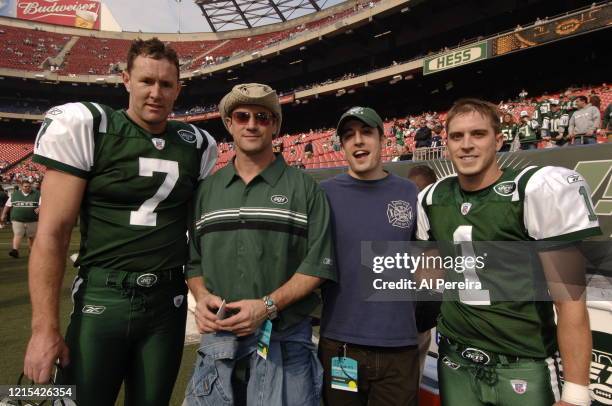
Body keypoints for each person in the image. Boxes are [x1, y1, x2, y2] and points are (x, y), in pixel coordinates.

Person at [23, 38, 217, 406]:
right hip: (103, 296)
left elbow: (200, 236)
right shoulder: (91, 126)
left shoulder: (196, 144)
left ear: (178, 89)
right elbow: (52, 233)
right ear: (126, 80)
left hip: (167, 302)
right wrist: (43, 328)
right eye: (146, 81)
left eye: (166, 84)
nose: (156, 92)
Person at [416, 98, 600, 406]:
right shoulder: (432, 198)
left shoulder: (535, 190)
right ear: (445, 143)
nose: (467, 145)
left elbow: (570, 302)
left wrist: (576, 393)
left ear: (498, 139)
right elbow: (428, 280)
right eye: (457, 136)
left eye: (478, 134)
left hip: (523, 363)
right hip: (455, 359)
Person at [184, 83, 336, 406]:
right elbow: (194, 261)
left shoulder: (306, 189)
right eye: (242, 116)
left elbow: (318, 264)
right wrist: (202, 297)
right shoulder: (206, 192)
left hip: (285, 340)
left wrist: (267, 306)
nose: (251, 124)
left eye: (262, 117)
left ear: (275, 125)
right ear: (229, 123)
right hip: (218, 341)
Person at [318, 106, 420, 406]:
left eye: (366, 133)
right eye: (349, 136)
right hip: (341, 346)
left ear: (382, 139)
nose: (358, 141)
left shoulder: (410, 193)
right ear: (343, 145)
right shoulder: (323, 195)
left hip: (398, 348)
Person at [1, 180, 40, 258]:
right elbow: (7, 205)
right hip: (17, 219)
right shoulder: (15, 194)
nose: (27, 188)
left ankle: (31, 251)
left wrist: (40, 208)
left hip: (32, 219)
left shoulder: (37, 194)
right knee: (18, 234)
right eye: (25, 186)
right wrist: (3, 215)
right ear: (21, 186)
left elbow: (43, 203)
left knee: (31, 236)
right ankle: (15, 250)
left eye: (29, 186)